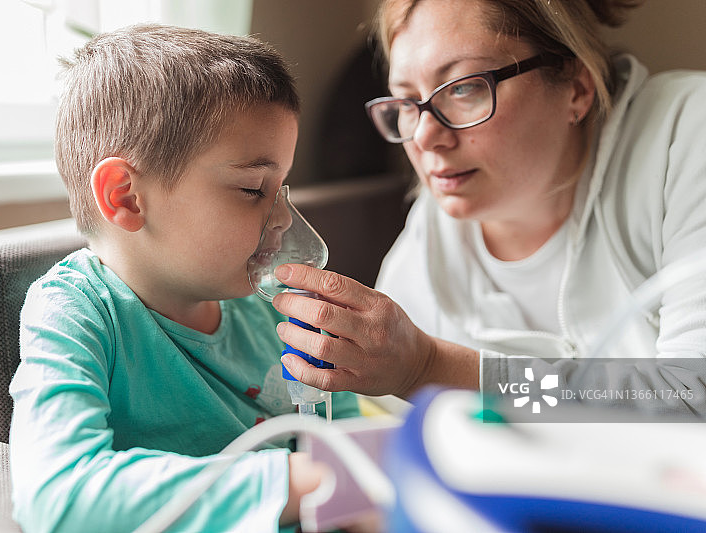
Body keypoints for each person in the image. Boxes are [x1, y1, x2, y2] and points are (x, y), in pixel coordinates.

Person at [272, 0, 706, 415]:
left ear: (576, 86)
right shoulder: (436, 229)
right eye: (407, 102)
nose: (424, 137)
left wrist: (430, 368)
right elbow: (383, 420)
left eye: (462, 88)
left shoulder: (685, 135)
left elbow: (694, 396)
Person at [8, 24, 359, 533]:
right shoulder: (78, 312)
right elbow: (57, 497)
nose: (284, 219)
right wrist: (301, 481)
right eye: (253, 188)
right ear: (126, 196)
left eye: (282, 187)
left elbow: (344, 437)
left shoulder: (276, 308)